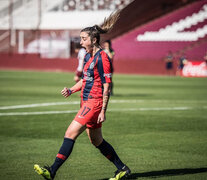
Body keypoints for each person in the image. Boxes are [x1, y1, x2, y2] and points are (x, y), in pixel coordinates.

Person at [34, 11, 131, 180]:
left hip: (94, 103)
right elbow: (85, 80)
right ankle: (122, 169)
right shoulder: (87, 55)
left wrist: (103, 111)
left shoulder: (103, 58)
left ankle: (52, 171)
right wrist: (71, 90)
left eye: (83, 39)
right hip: (86, 101)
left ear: (94, 40)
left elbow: (107, 86)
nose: (80, 42)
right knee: (96, 140)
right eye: (80, 38)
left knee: (70, 133)